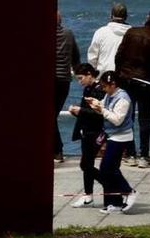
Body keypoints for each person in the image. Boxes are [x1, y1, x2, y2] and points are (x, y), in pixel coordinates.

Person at [113, 8, 150, 162]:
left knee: (127, 117)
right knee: (144, 119)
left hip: (126, 78)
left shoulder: (131, 32)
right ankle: (144, 155)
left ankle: (130, 153)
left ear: (147, 18)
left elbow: (119, 55)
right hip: (146, 82)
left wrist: (119, 74)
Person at [80, 71, 136, 213]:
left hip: (121, 137)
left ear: (113, 84)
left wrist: (102, 110)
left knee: (107, 168)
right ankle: (115, 203)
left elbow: (117, 120)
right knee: (109, 168)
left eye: (105, 86)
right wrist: (95, 104)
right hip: (111, 135)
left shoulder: (123, 98)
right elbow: (103, 107)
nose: (103, 89)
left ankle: (129, 191)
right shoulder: (109, 95)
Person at [63, 62, 104, 207]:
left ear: (89, 75)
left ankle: (112, 185)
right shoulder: (88, 89)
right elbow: (86, 114)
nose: (79, 82)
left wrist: (80, 111)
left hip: (96, 131)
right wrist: (77, 113)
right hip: (86, 131)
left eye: (81, 78)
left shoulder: (99, 90)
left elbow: (100, 114)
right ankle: (88, 195)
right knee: (87, 164)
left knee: (86, 164)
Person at [53, 11, 80, 161]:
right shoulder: (69, 34)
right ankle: (56, 149)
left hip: (51, 81)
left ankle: (58, 150)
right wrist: (79, 72)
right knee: (53, 115)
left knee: (50, 117)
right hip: (64, 80)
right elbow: (75, 57)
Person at [85, 1, 129, 75]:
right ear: (126, 17)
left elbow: (92, 58)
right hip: (124, 77)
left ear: (111, 16)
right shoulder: (132, 33)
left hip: (103, 77)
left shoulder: (101, 32)